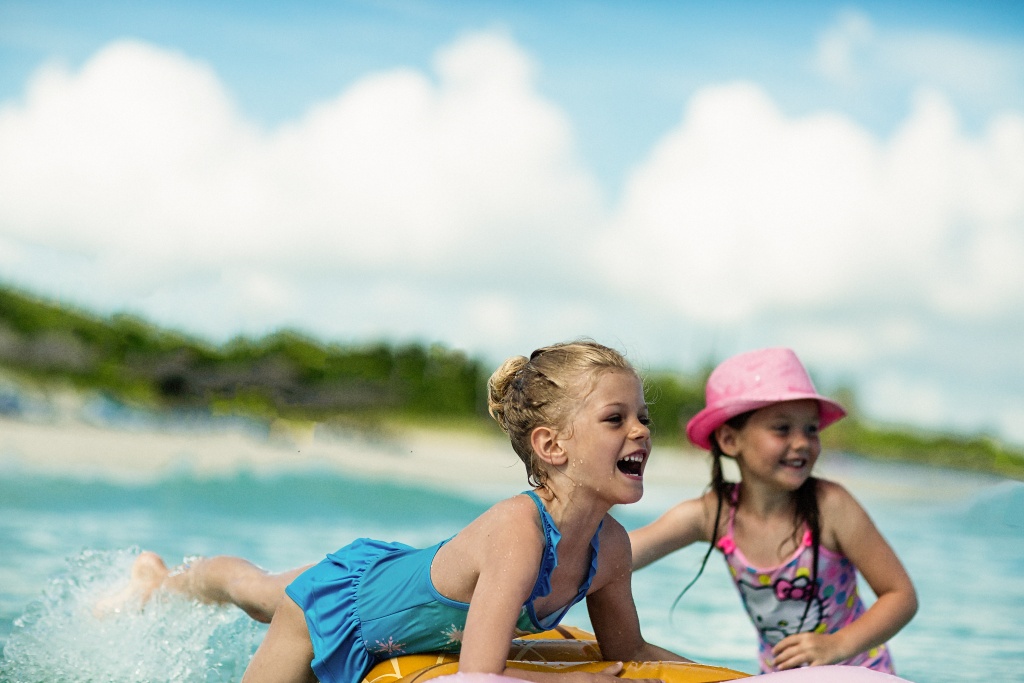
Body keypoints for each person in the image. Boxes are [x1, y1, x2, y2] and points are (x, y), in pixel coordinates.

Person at [111, 341, 690, 683]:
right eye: (616, 419)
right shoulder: (519, 531)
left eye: (643, 417)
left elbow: (629, 653)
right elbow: (479, 675)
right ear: (551, 445)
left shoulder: (610, 547)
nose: (641, 430)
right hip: (339, 609)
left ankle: (164, 579)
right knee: (257, 592)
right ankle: (160, 582)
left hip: (397, 589)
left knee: (259, 589)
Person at [630, 347, 917, 674]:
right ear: (729, 440)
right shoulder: (715, 515)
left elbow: (901, 595)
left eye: (811, 429)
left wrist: (837, 645)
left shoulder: (831, 507)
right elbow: (622, 554)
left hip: (858, 672)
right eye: (782, 428)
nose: (802, 443)